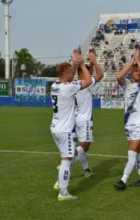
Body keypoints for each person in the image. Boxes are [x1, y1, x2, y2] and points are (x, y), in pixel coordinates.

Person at [50, 50, 93, 201]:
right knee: (67, 160)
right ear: (67, 75)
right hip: (65, 130)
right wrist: (81, 63)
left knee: (70, 155)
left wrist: (73, 64)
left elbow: (69, 77)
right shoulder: (68, 88)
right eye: (71, 73)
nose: (74, 75)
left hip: (55, 128)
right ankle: (63, 192)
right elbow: (88, 80)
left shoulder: (55, 85)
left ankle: (62, 186)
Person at [114, 50, 140, 190]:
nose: (138, 73)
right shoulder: (127, 85)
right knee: (138, 151)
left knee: (132, 152)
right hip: (129, 123)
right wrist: (131, 63)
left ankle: (123, 180)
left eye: (138, 71)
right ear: (130, 72)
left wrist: (138, 61)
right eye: (135, 71)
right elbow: (119, 76)